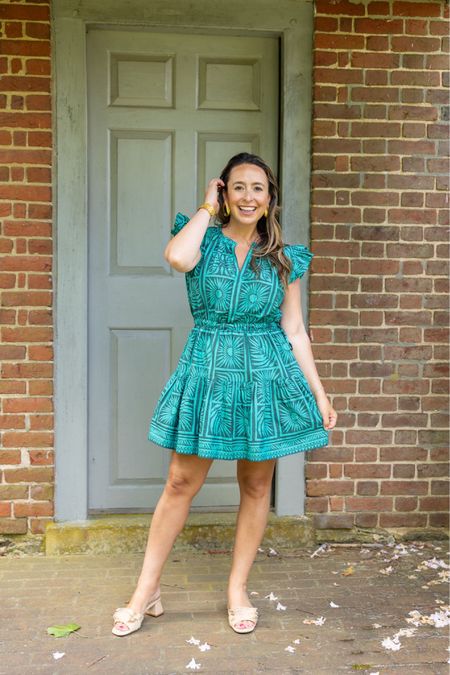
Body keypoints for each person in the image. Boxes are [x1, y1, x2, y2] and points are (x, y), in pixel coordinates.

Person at [112, 152, 337, 637]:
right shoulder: (203, 240)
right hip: (208, 371)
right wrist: (204, 209)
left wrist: (319, 393)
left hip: (265, 376)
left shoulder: (283, 257)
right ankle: (144, 591)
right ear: (224, 193)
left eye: (258, 188)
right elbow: (177, 258)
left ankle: (237, 589)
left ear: (270, 197)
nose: (249, 197)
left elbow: (295, 330)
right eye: (238, 187)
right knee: (179, 482)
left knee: (257, 487)